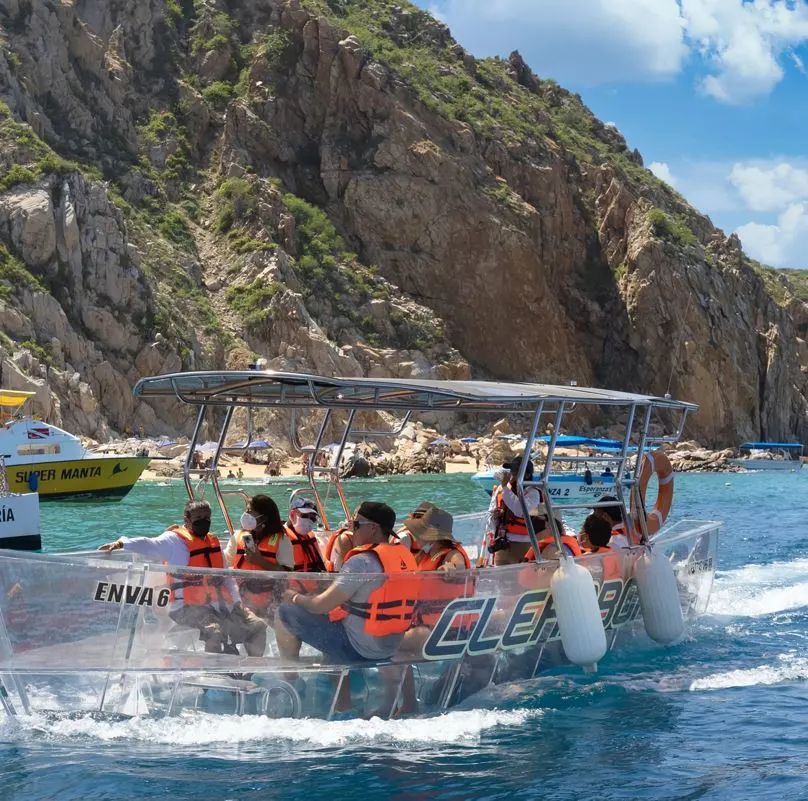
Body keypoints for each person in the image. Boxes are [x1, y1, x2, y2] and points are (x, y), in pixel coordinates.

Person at [98, 499, 266, 656]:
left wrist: (237, 602)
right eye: (198, 517)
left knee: (257, 626)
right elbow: (148, 544)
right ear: (187, 518)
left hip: (219, 604)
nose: (204, 521)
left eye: (207, 517)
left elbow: (226, 577)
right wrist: (122, 543)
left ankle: (253, 671)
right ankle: (212, 676)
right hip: (185, 607)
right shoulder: (174, 541)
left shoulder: (212, 542)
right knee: (214, 631)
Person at [274, 502, 418, 665]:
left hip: (358, 649)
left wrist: (294, 597)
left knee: (284, 611)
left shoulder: (361, 562)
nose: (351, 529)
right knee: (336, 618)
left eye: (356, 525)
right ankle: (338, 684)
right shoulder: (406, 559)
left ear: (373, 528)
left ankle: (290, 679)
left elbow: (319, 606)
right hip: (391, 647)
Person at [486, 457, 541, 565]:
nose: (512, 475)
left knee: (522, 580)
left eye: (516, 472)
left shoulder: (533, 493)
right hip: (502, 544)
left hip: (524, 545)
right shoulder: (503, 489)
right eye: (511, 471)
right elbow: (491, 514)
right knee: (500, 579)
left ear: (527, 475)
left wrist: (505, 487)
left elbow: (520, 510)